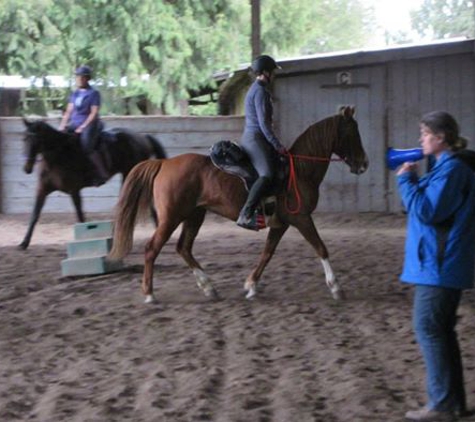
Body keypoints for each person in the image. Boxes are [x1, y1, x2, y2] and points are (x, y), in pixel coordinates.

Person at [396, 111, 475, 421]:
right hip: (440, 262)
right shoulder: (448, 168)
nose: (420, 139)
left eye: (425, 134)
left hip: (439, 264)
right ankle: (451, 403)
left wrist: (405, 180)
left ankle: (443, 405)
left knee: (429, 328)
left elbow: (428, 211)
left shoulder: (452, 171)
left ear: (441, 138)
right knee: (441, 331)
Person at [236, 54, 287, 230]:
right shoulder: (260, 92)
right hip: (256, 138)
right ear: (265, 72)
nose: (274, 75)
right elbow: (264, 125)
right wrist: (278, 145)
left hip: (258, 137)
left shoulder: (257, 89)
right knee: (266, 174)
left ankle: (271, 214)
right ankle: (246, 214)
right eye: (273, 71)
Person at [59, 65, 108, 185]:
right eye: (78, 77)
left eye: (82, 77)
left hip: (90, 124)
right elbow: (69, 111)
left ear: (87, 79)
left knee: (87, 146)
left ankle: (101, 173)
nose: (79, 79)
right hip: (74, 123)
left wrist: (83, 126)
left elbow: (94, 112)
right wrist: (63, 124)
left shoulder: (94, 93)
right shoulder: (75, 93)